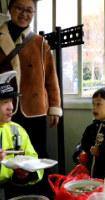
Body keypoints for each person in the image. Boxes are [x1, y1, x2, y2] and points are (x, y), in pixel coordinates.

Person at [0, 1, 62, 198]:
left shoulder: (40, 42)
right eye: (19, 8)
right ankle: (14, 195)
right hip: (4, 108)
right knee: (9, 156)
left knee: (38, 155)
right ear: (9, 8)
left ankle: (42, 195)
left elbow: (51, 77)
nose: (24, 14)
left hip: (34, 108)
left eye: (30, 10)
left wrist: (54, 106)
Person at [0, 70, 43, 199]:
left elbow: (34, 161)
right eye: (4, 102)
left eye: (11, 101)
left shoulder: (17, 131)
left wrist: (26, 174)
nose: (11, 107)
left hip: (11, 189)